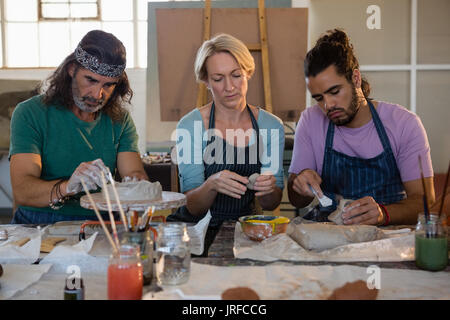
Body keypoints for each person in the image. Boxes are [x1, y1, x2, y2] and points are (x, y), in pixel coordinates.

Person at [288, 29, 434, 225]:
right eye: (319, 98)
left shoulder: (404, 124)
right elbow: (295, 199)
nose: (328, 105)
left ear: (355, 78)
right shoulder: (310, 121)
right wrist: (299, 184)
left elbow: (424, 203)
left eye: (335, 92)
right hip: (330, 237)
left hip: (388, 239)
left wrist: (383, 213)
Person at [9, 30, 148, 224]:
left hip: (102, 221)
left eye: (108, 85)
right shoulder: (30, 113)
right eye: (90, 80)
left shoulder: (119, 119)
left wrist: (137, 185)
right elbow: (23, 191)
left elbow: (133, 173)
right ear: (72, 70)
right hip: (39, 221)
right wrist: (68, 187)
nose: (97, 94)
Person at [168, 33, 285, 253]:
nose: (229, 87)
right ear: (206, 81)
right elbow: (191, 205)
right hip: (195, 232)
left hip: (246, 231)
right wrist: (212, 184)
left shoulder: (271, 126)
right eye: (218, 78)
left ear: (248, 73)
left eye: (236, 75)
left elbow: (271, 203)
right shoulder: (190, 126)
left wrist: (268, 188)